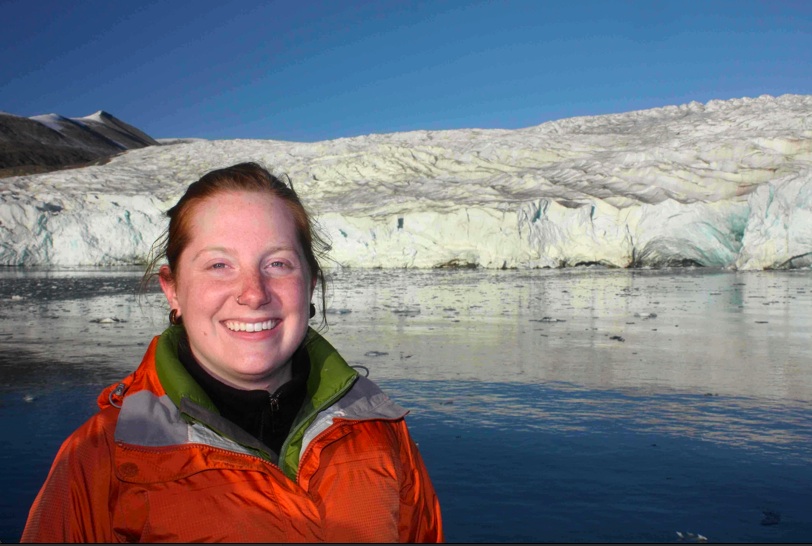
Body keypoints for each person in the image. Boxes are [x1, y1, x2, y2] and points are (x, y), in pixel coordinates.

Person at [21, 162, 443, 543]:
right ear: (173, 289)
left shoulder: (378, 429)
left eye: (278, 264)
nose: (253, 293)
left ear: (311, 282)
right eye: (219, 265)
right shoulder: (100, 460)